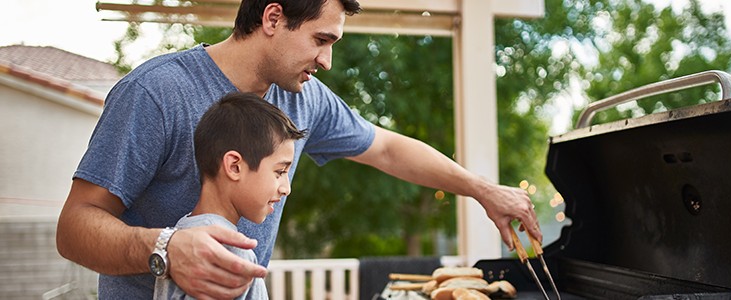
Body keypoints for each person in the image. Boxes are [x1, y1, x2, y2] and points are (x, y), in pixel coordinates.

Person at [56, 0, 542, 299]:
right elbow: (75, 227)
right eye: (321, 39)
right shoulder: (157, 92)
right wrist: (165, 248)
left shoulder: (302, 98)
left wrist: (483, 191)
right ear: (273, 17)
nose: (327, 60)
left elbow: (388, 150)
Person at [152, 92, 305, 299]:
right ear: (234, 166)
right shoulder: (227, 252)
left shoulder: (184, 232)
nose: (286, 188)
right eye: (279, 172)